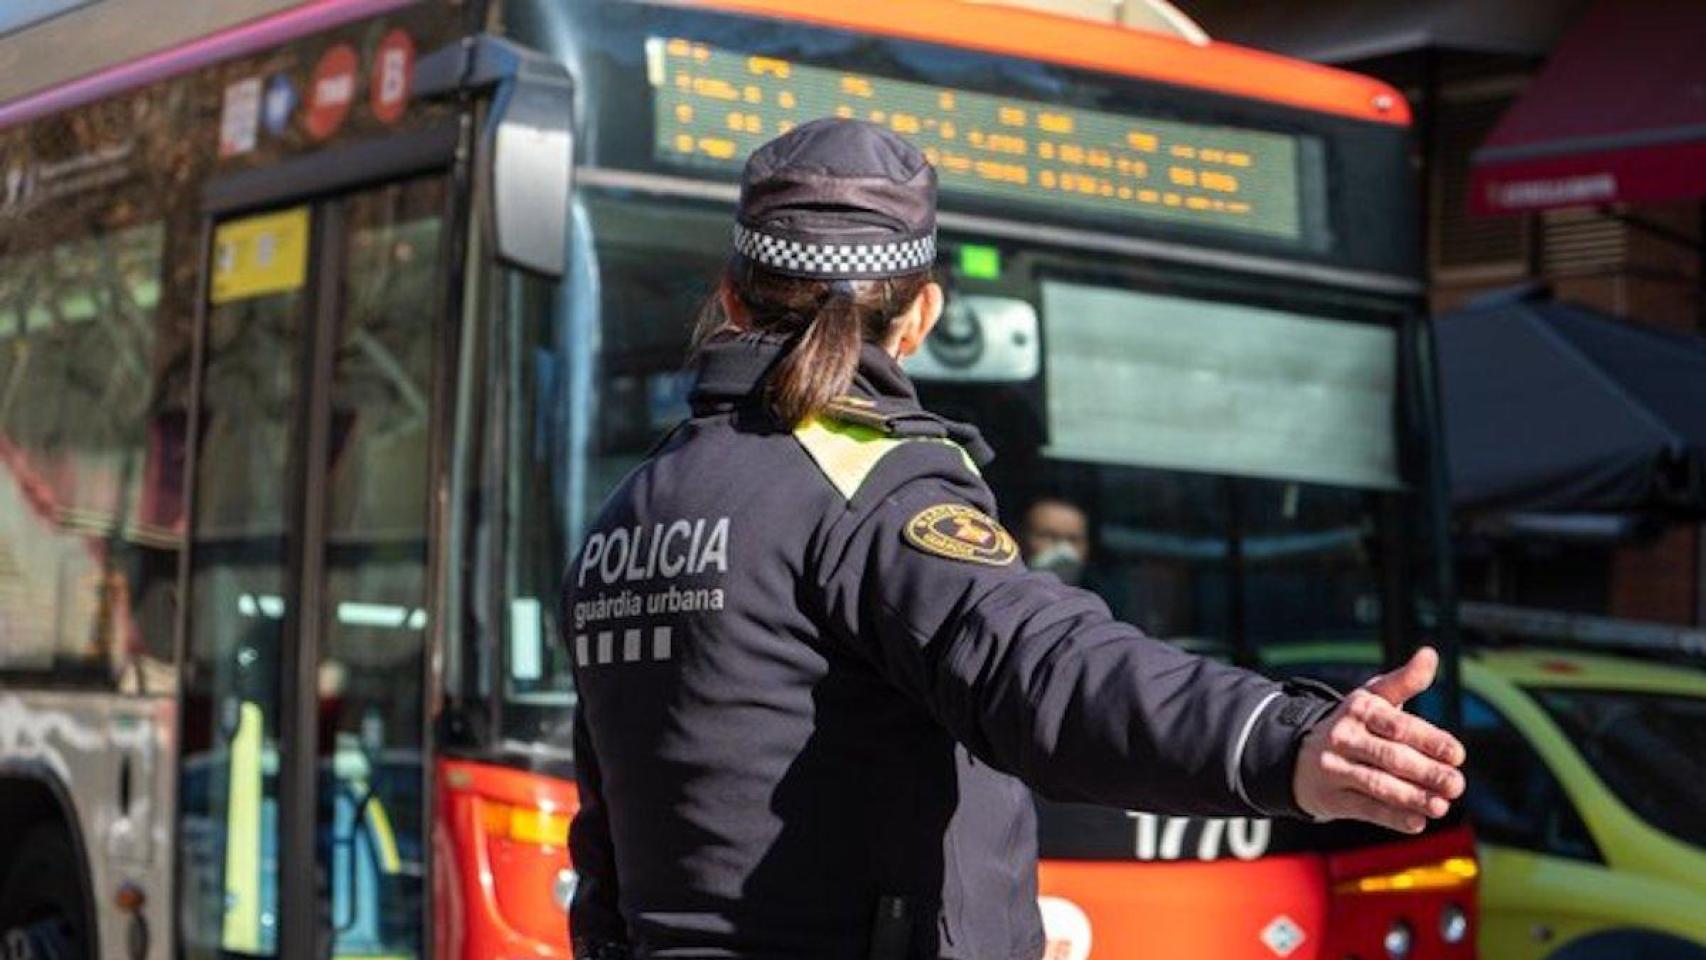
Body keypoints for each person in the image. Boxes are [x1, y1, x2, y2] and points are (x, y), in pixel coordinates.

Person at [560, 118, 1465, 960]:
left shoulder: (634, 509)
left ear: (731, 296)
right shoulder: (870, 481)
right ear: (919, 316)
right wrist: (1281, 742)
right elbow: (1047, 666)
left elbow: (604, 854)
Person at [1018, 496, 1092, 587]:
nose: (1063, 549)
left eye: (1073, 539)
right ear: (1020, 539)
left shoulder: (1106, 594)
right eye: (1049, 536)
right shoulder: (999, 593)